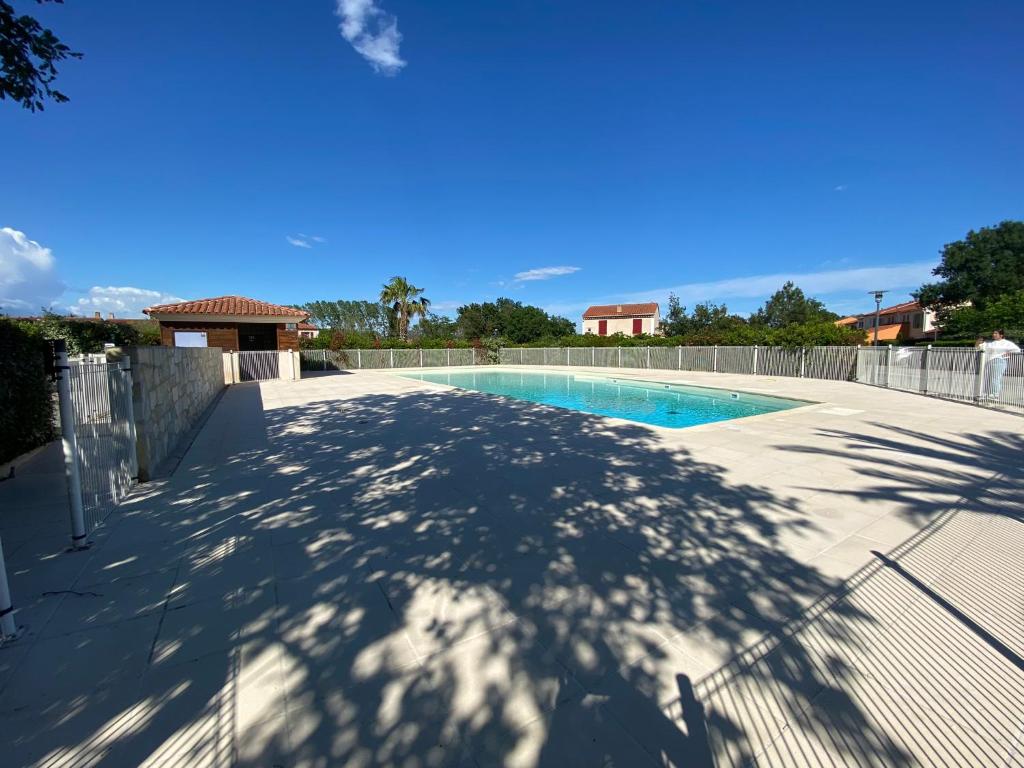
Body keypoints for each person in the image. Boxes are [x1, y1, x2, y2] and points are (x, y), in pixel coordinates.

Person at [981, 329, 1020, 399]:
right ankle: (987, 393)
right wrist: (980, 342)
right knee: (988, 378)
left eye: (996, 333)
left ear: (1001, 335)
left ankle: (995, 394)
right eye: (993, 333)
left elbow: (1017, 350)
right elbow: (981, 347)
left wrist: (1009, 352)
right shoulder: (992, 343)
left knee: (995, 378)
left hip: (1000, 361)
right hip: (990, 361)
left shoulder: (1006, 343)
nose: (994, 335)